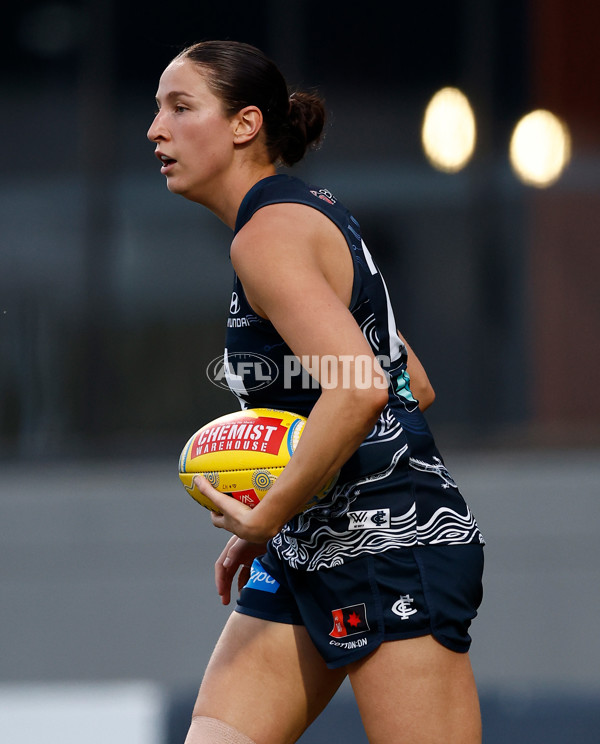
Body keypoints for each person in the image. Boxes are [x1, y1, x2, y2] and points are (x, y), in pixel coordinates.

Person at [147, 40, 484, 744]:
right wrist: (295, 501)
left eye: (181, 107)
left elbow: (362, 389)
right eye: (157, 110)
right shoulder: (302, 217)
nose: (156, 129)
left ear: (245, 125)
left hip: (393, 544)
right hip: (309, 544)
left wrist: (272, 508)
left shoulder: (267, 234)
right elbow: (407, 382)